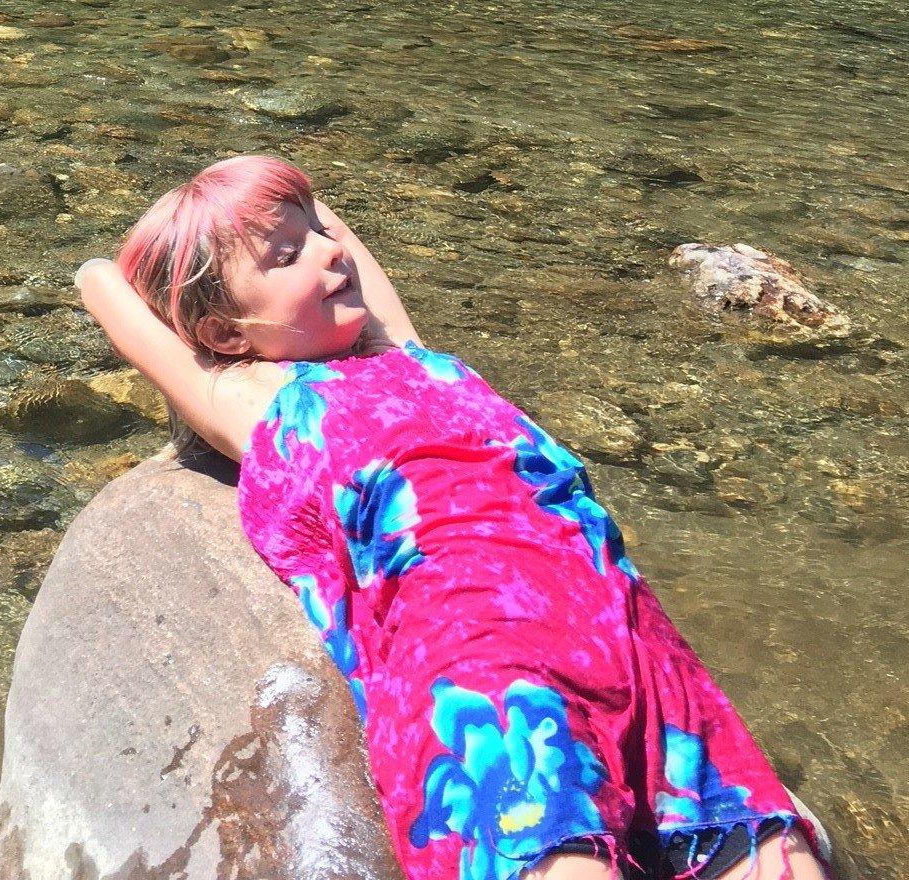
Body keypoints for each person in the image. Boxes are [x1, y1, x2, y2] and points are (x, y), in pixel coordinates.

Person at [75, 154, 831, 880]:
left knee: (773, 855)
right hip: (477, 638)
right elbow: (101, 284)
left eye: (321, 235)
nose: (330, 255)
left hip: (617, 616)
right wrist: (210, 218)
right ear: (222, 333)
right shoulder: (249, 395)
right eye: (285, 257)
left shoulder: (405, 350)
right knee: (560, 854)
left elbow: (332, 229)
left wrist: (278, 203)